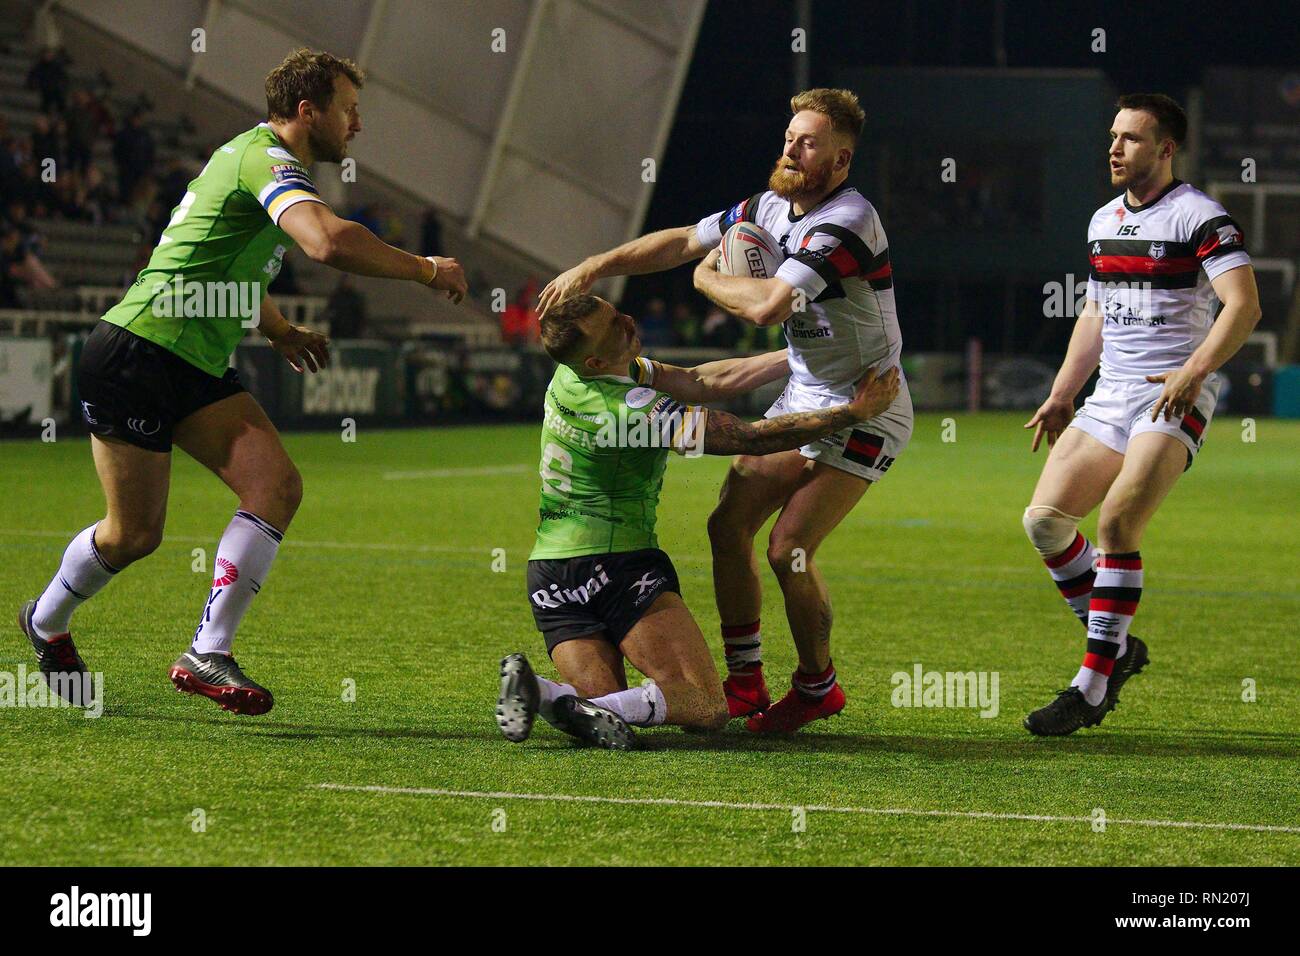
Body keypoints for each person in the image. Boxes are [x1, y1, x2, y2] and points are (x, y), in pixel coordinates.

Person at [17, 48, 467, 715]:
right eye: (349, 110)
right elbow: (327, 243)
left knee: (276, 486)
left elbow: (224, 262)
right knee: (133, 535)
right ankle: (46, 622)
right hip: (138, 353)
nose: (357, 125)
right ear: (307, 111)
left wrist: (279, 329)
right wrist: (426, 268)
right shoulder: (266, 158)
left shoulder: (250, 160)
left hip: (190, 361)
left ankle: (207, 651)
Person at [537, 88, 911, 734]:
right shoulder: (767, 206)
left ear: (842, 160)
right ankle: (745, 683)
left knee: (788, 547)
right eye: (790, 136)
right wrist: (595, 266)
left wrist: (706, 279)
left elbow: (768, 306)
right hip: (807, 387)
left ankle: (818, 686)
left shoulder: (846, 221)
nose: (791, 148)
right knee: (725, 524)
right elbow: (683, 239)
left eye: (809, 142)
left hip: (866, 403)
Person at [497, 294, 899, 749]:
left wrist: (803, 358)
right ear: (595, 356)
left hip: (550, 576)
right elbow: (750, 437)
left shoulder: (568, 376)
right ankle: (553, 693)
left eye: (617, 312)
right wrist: (850, 413)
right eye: (615, 326)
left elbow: (700, 379)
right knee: (706, 708)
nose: (628, 319)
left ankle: (542, 691)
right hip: (617, 567)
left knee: (601, 703)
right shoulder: (636, 412)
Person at [1020, 94, 1260, 735]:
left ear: (1166, 148)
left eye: (1130, 138)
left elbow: (1242, 307)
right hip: (1112, 393)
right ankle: (1118, 645)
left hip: (1173, 392)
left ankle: (1091, 685)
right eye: (1112, 136)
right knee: (1044, 521)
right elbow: (1094, 314)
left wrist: (1194, 371)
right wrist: (1063, 391)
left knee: (1119, 523)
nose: (1115, 148)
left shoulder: (1200, 218)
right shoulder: (1101, 220)